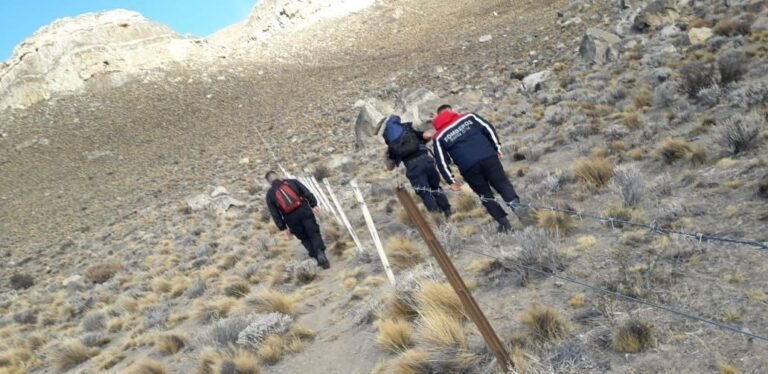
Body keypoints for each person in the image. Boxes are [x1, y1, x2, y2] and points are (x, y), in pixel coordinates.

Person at [431, 104, 531, 233]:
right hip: (488, 157)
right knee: (503, 185)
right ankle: (520, 210)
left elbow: (441, 161)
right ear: (451, 112)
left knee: (485, 195)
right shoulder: (469, 117)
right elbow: (488, 128)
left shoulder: (439, 137)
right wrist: (497, 148)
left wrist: (451, 181)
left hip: (468, 168)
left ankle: (504, 224)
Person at [383, 115, 452, 216]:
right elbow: (428, 135)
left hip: (412, 167)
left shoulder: (392, 145)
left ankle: (437, 216)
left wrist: (385, 156)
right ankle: (447, 211)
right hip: (426, 161)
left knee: (424, 192)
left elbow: (390, 167)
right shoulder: (411, 132)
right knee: (435, 187)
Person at [265, 171, 330, 269]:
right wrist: (313, 204)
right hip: (304, 210)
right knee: (313, 232)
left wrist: (282, 228)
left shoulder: (270, 194)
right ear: (278, 176)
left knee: (304, 238)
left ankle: (317, 258)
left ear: (269, 182)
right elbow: (306, 192)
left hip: (290, 218)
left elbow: (275, 213)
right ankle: (320, 252)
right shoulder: (291, 182)